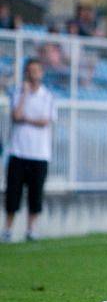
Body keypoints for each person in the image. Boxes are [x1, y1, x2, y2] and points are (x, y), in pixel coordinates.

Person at [2, 59, 56, 242]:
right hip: (18, 152)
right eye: (30, 70)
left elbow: (45, 120)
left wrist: (28, 119)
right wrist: (25, 94)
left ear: (41, 73)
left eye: (36, 70)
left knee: (35, 193)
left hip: (39, 154)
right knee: (13, 193)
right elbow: (16, 115)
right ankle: (8, 230)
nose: (33, 74)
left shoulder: (47, 96)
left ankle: (31, 229)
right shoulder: (18, 93)